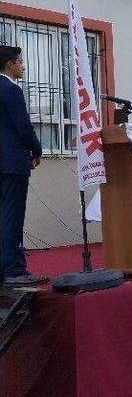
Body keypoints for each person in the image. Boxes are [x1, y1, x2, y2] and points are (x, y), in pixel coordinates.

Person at [0, 46, 47, 286]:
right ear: (9, 65)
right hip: (12, 163)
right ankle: (13, 270)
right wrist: (36, 149)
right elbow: (23, 126)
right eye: (20, 62)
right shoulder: (11, 90)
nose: (23, 66)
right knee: (12, 216)